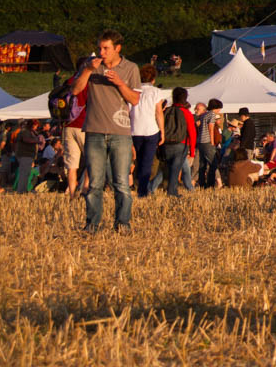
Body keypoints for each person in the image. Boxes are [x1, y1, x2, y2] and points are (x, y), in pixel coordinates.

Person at [67, 31, 141, 233]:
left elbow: (134, 100)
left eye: (106, 48)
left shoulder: (131, 68)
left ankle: (123, 223)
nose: (101, 52)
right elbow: (75, 90)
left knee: (121, 183)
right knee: (95, 184)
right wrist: (88, 71)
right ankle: (92, 224)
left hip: (121, 132)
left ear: (118, 48)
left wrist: (119, 83)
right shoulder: (91, 66)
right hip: (94, 130)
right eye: (100, 47)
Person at [130, 64, 165, 198]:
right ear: (153, 79)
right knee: (147, 162)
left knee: (138, 160)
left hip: (134, 130)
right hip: (151, 130)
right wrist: (162, 131)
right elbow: (158, 112)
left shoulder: (132, 90)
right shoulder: (156, 92)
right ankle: (143, 190)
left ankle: (139, 185)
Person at [160, 87, 195, 197]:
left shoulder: (167, 111)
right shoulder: (186, 113)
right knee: (175, 170)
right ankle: (172, 192)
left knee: (166, 169)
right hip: (181, 144)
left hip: (166, 143)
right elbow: (192, 132)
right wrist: (192, 151)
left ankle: (151, 187)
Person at [196, 99, 223, 188]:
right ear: (216, 107)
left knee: (202, 164)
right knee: (213, 163)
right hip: (207, 141)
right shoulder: (212, 114)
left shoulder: (204, 115)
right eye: (219, 108)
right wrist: (212, 142)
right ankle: (210, 184)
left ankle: (202, 183)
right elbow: (210, 128)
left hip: (200, 142)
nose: (219, 110)